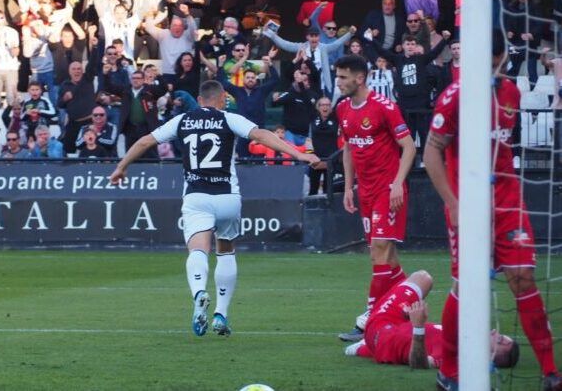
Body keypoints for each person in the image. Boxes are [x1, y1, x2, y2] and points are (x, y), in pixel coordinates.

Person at [109, 80, 321, 337]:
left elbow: (144, 141)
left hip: (197, 195)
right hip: (227, 196)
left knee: (198, 249)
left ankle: (199, 292)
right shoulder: (229, 118)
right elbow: (261, 135)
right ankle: (221, 313)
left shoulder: (182, 120)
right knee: (226, 249)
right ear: (222, 99)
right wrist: (297, 154)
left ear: (199, 100)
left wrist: (122, 167)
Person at [423, 34, 562, 391]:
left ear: (501, 58)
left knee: (523, 278)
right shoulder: (455, 96)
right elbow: (431, 154)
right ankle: (450, 371)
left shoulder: (511, 93)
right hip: (466, 204)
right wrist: (453, 205)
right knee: (464, 285)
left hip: (507, 200)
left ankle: (550, 372)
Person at [335, 55, 417, 342]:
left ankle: (369, 319)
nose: (339, 82)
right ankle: (410, 300)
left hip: (387, 189)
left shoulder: (384, 107)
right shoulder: (343, 108)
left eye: (344, 77)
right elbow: (348, 149)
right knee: (385, 257)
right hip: (366, 191)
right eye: (338, 76)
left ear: (360, 78)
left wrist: (397, 183)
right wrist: (348, 187)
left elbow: (408, 147)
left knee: (380, 249)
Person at [344, 270, 520, 372]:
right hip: (398, 327)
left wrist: (418, 327)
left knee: (423, 278)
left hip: (382, 329)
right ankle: (362, 348)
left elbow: (419, 364)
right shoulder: (469, 343)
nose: (496, 332)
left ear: (490, 356)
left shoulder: (455, 358)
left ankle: (366, 321)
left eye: (500, 340)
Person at [217, 49, 279, 157]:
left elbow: (275, 80)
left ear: (256, 79)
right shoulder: (237, 91)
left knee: (259, 160)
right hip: (242, 131)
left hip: (258, 131)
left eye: (253, 78)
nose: (250, 79)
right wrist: (221, 65)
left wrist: (270, 64)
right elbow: (222, 82)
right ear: (243, 79)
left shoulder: (261, 90)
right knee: (242, 160)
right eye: (248, 77)